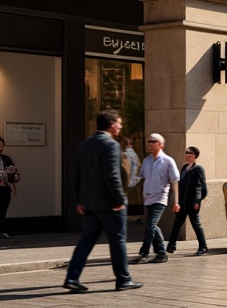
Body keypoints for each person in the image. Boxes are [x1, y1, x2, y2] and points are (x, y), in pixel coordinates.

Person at [63, 110, 142, 293]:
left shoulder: (85, 144)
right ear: (112, 124)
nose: (120, 127)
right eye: (119, 123)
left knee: (86, 241)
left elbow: (78, 175)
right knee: (118, 241)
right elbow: (112, 175)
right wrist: (119, 198)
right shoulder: (111, 145)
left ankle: (72, 277)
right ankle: (123, 280)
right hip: (110, 204)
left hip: (89, 204)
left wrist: (79, 200)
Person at [131, 133, 179, 263]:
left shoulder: (168, 161)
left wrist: (176, 201)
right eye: (149, 141)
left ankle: (144, 253)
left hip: (160, 198)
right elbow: (140, 177)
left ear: (161, 145)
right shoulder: (146, 161)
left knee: (150, 226)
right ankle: (162, 253)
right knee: (152, 226)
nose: (150, 144)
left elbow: (175, 181)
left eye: (153, 141)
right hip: (147, 198)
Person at [166, 146, 208, 256]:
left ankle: (203, 247)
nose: (187, 155)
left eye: (190, 153)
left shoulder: (198, 169)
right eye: (186, 152)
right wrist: (177, 201)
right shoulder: (184, 168)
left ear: (195, 156)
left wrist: (198, 201)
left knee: (196, 225)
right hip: (182, 203)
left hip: (192, 203)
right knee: (177, 224)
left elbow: (203, 187)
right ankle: (171, 246)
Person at [0, 136, 19, 237]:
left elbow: (15, 175)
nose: (0, 148)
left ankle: (2, 231)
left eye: (2, 146)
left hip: (4, 190)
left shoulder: (6, 159)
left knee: (2, 210)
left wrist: (5, 177)